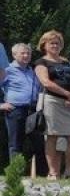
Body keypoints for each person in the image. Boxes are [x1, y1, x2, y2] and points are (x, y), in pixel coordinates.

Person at [34, 30, 70, 179]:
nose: (55, 45)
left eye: (57, 43)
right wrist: (67, 94)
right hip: (51, 101)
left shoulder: (66, 63)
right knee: (52, 135)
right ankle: (53, 172)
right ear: (44, 45)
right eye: (52, 43)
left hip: (68, 104)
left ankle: (68, 172)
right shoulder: (41, 62)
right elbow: (46, 82)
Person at [4, 42, 41, 172]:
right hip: (15, 109)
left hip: (33, 110)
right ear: (14, 55)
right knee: (15, 143)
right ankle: (15, 174)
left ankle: (41, 174)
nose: (26, 55)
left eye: (28, 53)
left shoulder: (33, 71)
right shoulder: (7, 70)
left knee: (38, 143)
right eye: (23, 53)